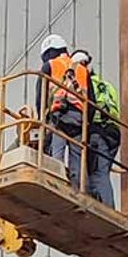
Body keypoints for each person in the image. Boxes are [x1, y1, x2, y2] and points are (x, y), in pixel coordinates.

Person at [36, 33, 90, 188]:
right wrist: (87, 122)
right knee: (77, 160)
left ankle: (56, 186)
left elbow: (41, 95)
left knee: (56, 157)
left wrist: (42, 120)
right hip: (79, 119)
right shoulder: (82, 70)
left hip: (59, 117)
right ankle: (78, 192)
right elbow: (90, 100)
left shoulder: (50, 65)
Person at [73, 49, 120, 207]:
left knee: (97, 174)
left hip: (97, 132)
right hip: (113, 133)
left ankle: (107, 210)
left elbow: (88, 107)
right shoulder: (106, 86)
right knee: (102, 172)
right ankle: (101, 202)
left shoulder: (86, 83)